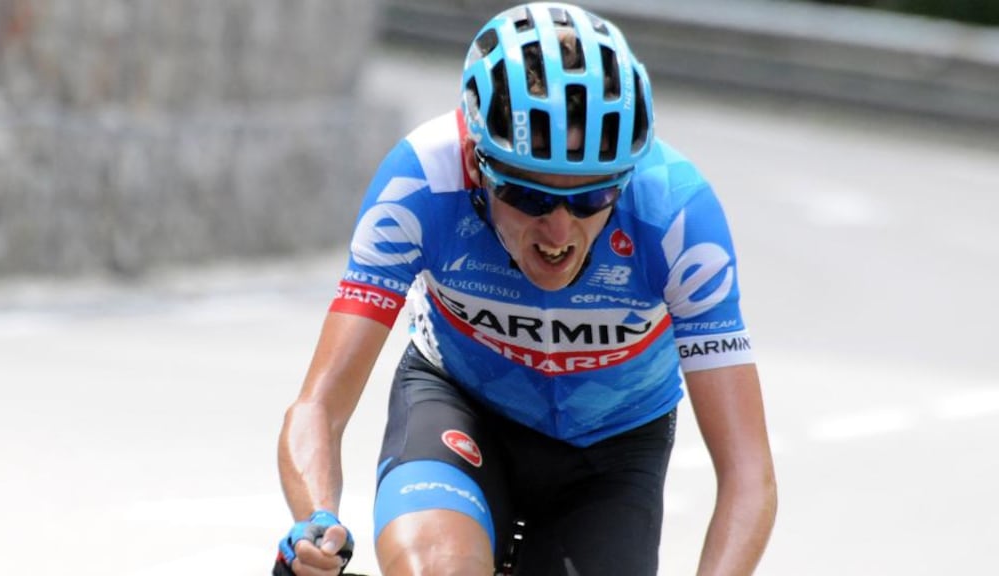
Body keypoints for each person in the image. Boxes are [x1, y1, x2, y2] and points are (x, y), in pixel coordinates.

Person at [273, 2, 777, 575]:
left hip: (611, 449)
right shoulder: (420, 182)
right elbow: (320, 405)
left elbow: (747, 473)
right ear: (475, 164)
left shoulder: (677, 215)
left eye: (591, 198)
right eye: (530, 196)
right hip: (459, 407)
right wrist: (316, 519)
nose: (559, 231)